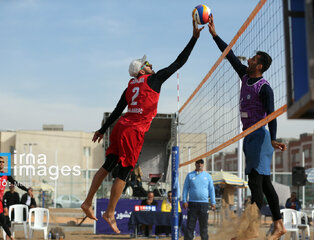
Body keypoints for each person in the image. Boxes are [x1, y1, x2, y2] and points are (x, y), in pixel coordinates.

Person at [80, 19, 204, 233]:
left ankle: (87, 201)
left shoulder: (130, 85)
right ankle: (110, 213)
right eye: (147, 64)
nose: (150, 64)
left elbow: (118, 110)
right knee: (124, 172)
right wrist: (194, 38)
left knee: (108, 165)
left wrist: (102, 130)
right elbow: (179, 62)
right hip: (133, 130)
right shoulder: (153, 79)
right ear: (141, 70)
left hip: (121, 126)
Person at [208, 15, 288, 239]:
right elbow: (230, 56)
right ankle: (279, 225)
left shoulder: (265, 88)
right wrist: (215, 35)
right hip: (249, 137)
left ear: (259, 65)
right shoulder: (244, 76)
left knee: (255, 182)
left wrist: (273, 137)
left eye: (253, 58)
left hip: (261, 138)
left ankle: (251, 230)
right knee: (264, 183)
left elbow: (271, 115)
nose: (249, 59)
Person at [182, 159, 216, 240]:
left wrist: (213, 202)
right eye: (198, 163)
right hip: (192, 203)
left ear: (203, 165)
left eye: (201, 163)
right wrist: (184, 200)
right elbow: (185, 189)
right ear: (195, 164)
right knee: (190, 225)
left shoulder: (208, 176)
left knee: (203, 226)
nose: (199, 165)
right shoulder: (190, 175)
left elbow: (211, 190)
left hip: (204, 204)